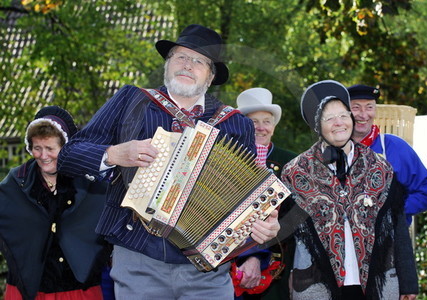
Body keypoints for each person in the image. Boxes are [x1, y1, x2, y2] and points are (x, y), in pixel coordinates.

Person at [57, 24, 280, 299]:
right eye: (181, 57)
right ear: (168, 63)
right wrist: (115, 154)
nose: (188, 65)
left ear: (210, 76)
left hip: (208, 270)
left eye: (199, 61)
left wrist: (262, 230)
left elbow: (248, 202)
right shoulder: (131, 100)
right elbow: (68, 156)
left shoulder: (235, 124)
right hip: (138, 258)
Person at [282, 80, 418, 299]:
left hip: (377, 284)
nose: (339, 123)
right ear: (317, 125)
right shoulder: (296, 172)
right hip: (316, 285)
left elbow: (398, 227)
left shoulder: (379, 166)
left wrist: (409, 283)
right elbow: (284, 234)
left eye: (344, 115)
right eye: (329, 118)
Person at [0, 106, 110, 300]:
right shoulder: (15, 183)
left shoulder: (89, 184)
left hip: (78, 289)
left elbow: (107, 227)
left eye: (50, 148)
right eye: (37, 148)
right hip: (27, 289)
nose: (43, 156)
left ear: (65, 148)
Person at [234, 87, 297, 299]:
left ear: (274, 126)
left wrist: (260, 254)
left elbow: (296, 219)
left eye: (267, 121)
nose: (261, 128)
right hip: (228, 265)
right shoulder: (228, 159)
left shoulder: (291, 162)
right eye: (253, 122)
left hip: (276, 266)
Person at [348, 84, 427, 224]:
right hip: (346, 242)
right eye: (356, 107)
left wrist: (396, 210)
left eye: (369, 107)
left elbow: (426, 192)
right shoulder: (334, 151)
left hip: (392, 241)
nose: (364, 114)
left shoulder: (395, 147)